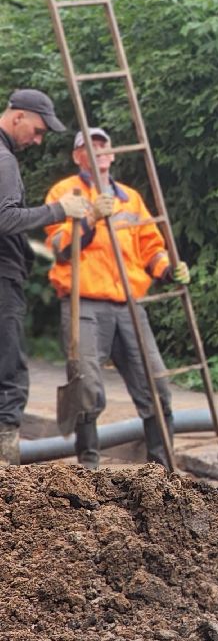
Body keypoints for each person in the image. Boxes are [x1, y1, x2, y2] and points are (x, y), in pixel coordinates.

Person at [45, 128, 190, 470]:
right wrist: (91, 218)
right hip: (85, 303)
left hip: (128, 304)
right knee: (87, 387)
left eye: (103, 147)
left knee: (156, 386)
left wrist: (170, 269)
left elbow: (151, 248)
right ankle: (89, 467)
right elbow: (60, 249)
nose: (98, 153)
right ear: (77, 156)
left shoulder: (131, 199)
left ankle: (162, 471)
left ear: (113, 154)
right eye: (89, 148)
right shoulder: (64, 192)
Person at [0, 90, 94, 464]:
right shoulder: (4, 160)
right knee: (9, 369)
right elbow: (5, 218)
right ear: (18, 117)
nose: (37, 140)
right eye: (37, 131)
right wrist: (58, 210)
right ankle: (5, 465)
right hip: (2, 280)